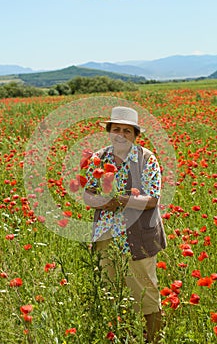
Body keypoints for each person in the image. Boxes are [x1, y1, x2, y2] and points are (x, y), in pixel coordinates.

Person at [83, 106, 167, 343]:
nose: (121, 135)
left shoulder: (147, 158)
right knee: (110, 291)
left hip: (138, 236)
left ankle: (153, 339)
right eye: (116, 129)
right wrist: (100, 201)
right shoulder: (99, 158)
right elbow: (88, 194)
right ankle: (121, 336)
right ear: (109, 132)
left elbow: (152, 199)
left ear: (135, 135)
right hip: (106, 235)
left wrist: (119, 200)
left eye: (127, 131)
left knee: (146, 292)